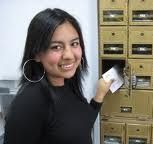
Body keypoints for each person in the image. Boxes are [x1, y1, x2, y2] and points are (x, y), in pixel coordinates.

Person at [3, 8, 113, 144]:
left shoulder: (67, 83)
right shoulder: (29, 102)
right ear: (37, 54)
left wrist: (99, 95)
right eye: (56, 47)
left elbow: (82, 123)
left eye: (74, 44)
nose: (69, 55)